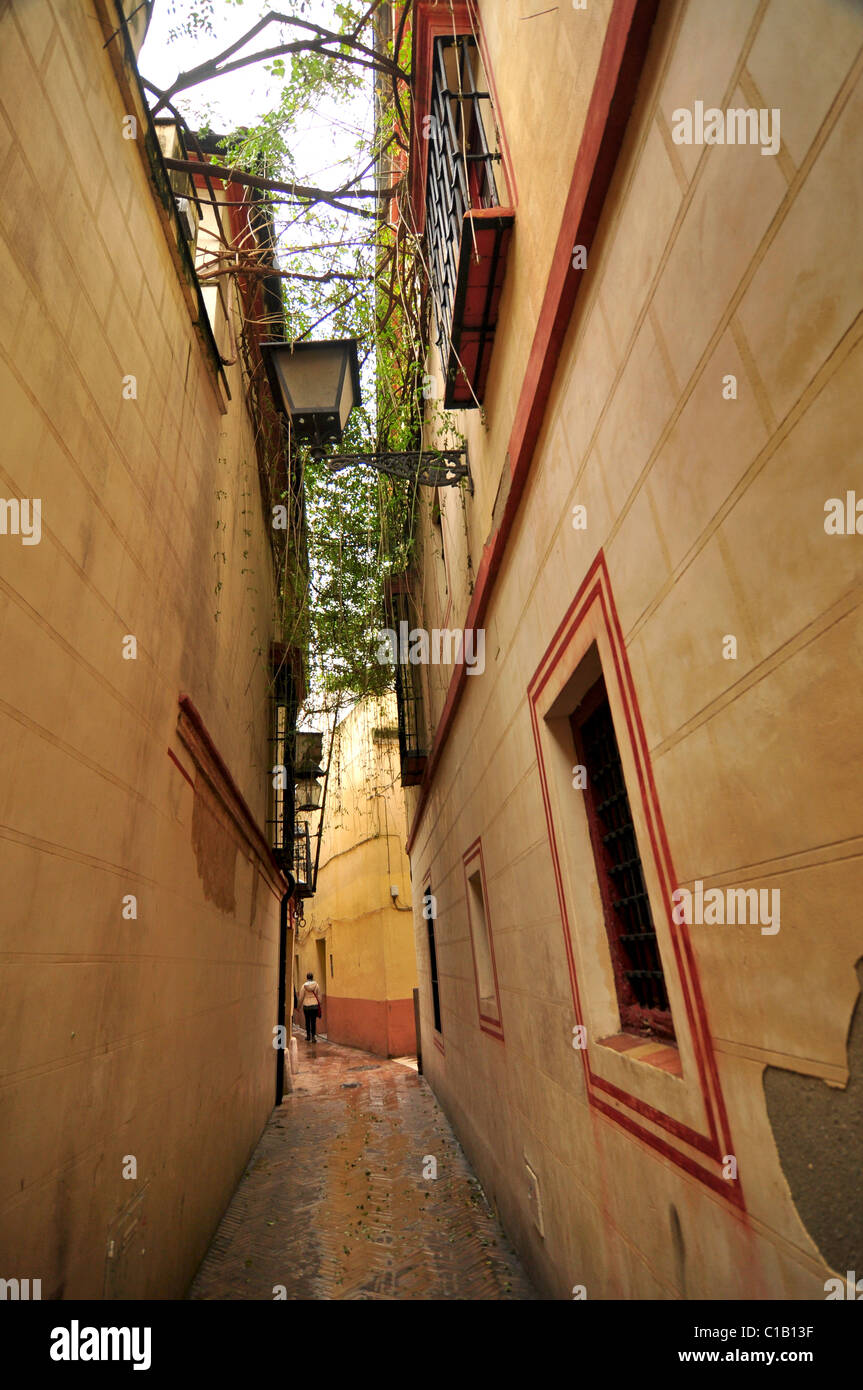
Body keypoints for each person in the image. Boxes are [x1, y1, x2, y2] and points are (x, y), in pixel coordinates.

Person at [298, 972, 321, 1042]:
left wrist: (298, 1006)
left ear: (307, 978)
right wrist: (320, 1003)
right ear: (312, 977)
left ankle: (308, 1036)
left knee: (307, 1021)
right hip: (314, 1005)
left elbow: (301, 997)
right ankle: (313, 1037)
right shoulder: (316, 985)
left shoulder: (303, 986)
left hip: (306, 1006)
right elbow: (319, 995)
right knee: (313, 1022)